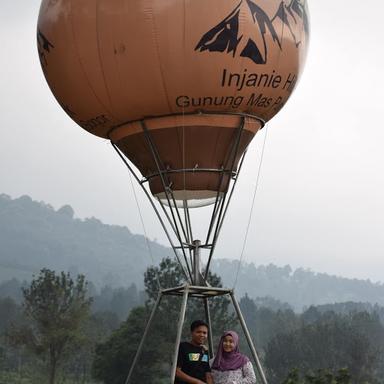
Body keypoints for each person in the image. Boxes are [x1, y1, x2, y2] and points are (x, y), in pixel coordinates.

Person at [175, 320, 213, 384]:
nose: (202, 335)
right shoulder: (183, 347)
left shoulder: (204, 350)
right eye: (198, 332)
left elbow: (207, 373)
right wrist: (197, 382)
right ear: (192, 332)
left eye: (204, 333)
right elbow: (177, 372)